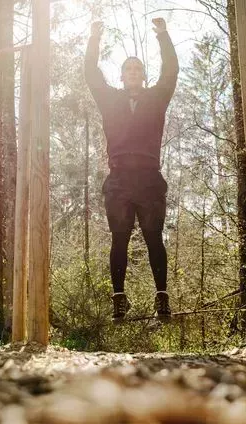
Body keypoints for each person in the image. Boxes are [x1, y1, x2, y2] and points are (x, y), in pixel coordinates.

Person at [85, 18, 179, 322]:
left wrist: (163, 36)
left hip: (149, 178)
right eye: (128, 69)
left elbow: (171, 71)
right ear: (123, 76)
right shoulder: (110, 99)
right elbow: (90, 73)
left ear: (143, 75)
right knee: (120, 237)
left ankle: (162, 297)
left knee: (154, 236)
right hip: (120, 178)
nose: (133, 73)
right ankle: (119, 298)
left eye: (138, 69)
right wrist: (94, 37)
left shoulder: (156, 98)